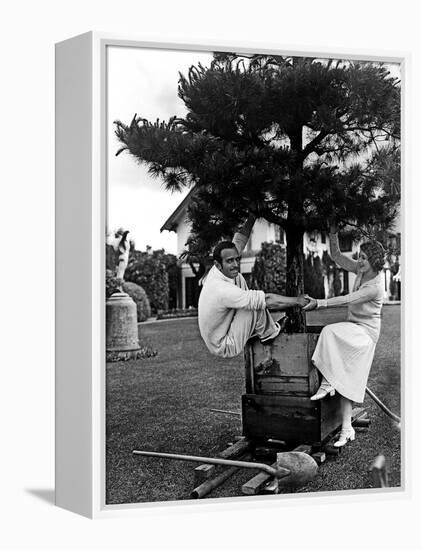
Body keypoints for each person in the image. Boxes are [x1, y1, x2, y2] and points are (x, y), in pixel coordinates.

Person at [303, 224, 385, 447]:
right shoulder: (361, 270)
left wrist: (319, 303)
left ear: (375, 262)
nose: (359, 261)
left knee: (329, 331)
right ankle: (347, 430)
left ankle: (328, 381)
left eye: (364, 258)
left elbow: (348, 299)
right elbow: (337, 255)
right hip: (354, 326)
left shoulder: (375, 286)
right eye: (360, 256)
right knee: (347, 380)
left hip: (366, 333)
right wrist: (332, 230)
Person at [198, 214, 308, 358]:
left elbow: (239, 239)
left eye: (237, 259)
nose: (236, 264)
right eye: (230, 261)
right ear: (218, 265)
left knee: (241, 281)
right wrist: (298, 301)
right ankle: (269, 334)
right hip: (224, 345)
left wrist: (252, 215)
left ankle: (263, 328)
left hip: (223, 330)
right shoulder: (222, 289)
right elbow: (266, 300)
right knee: (255, 304)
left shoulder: (219, 268)